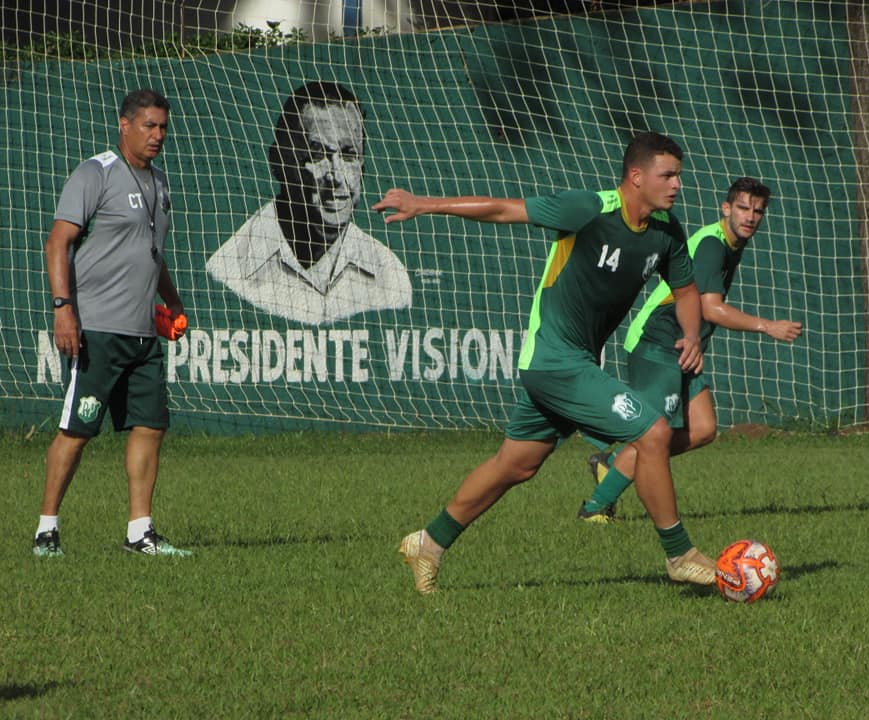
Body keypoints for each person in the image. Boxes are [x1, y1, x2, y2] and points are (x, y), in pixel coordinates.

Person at [373, 131, 717, 594]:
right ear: (636, 177)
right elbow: (503, 208)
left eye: (679, 175)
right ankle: (680, 554)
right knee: (652, 431)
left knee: (516, 464)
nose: (677, 184)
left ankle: (428, 543)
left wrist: (692, 334)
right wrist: (424, 204)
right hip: (554, 359)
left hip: (572, 363)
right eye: (668, 175)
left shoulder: (667, 232)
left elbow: (687, 291)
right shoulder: (589, 210)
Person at [578, 177, 803, 522]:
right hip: (658, 341)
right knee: (651, 435)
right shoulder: (713, 245)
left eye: (758, 211)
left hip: (684, 345)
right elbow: (710, 307)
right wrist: (767, 326)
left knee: (703, 428)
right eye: (743, 208)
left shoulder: (731, 244)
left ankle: (614, 463)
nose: (751, 217)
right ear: (725, 208)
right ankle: (594, 510)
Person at [34, 88, 192, 557]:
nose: (158, 135)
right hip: (97, 330)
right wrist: (64, 309)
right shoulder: (94, 173)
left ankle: (139, 532)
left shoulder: (160, 183)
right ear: (124, 125)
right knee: (78, 430)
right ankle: (47, 530)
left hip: (144, 332)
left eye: (163, 126)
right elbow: (57, 243)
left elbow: (152, 255)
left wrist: (174, 303)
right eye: (149, 125)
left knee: (150, 425)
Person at [206, 81, 412, 325]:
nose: (336, 176)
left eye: (348, 155)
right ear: (279, 164)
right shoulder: (229, 270)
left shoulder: (388, 275)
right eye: (317, 155)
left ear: (362, 167)